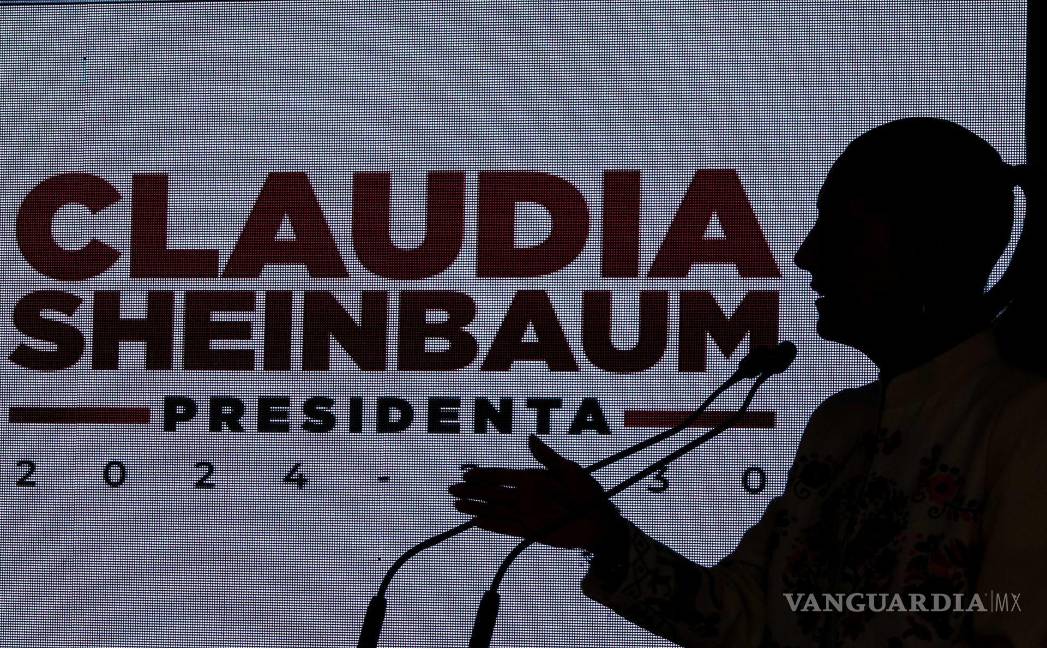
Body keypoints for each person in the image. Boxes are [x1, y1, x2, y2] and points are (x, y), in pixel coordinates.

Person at [448, 117, 1044, 647]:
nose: (807, 255)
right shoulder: (840, 425)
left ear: (927, 245)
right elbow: (748, 617)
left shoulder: (1026, 421)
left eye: (842, 229)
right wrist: (605, 537)